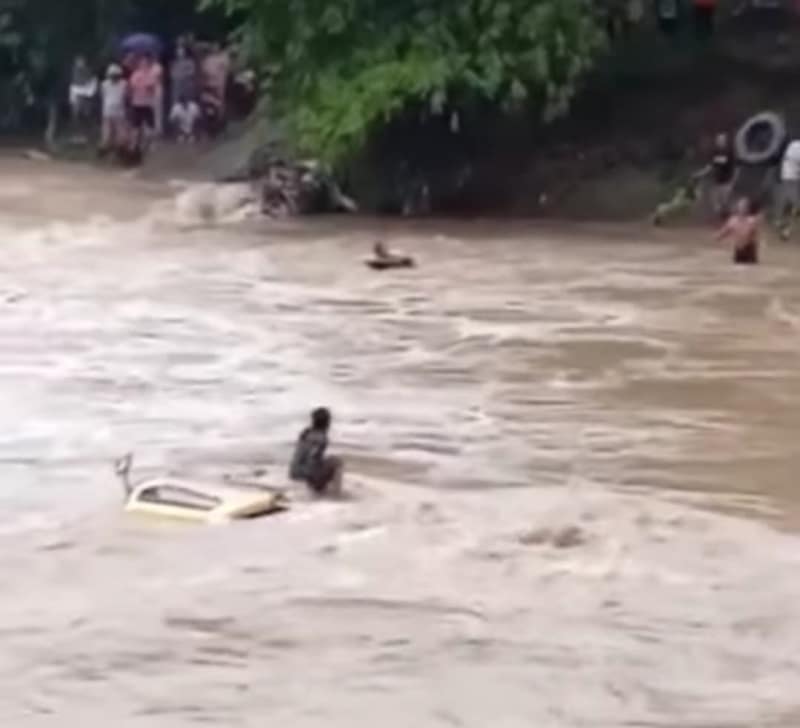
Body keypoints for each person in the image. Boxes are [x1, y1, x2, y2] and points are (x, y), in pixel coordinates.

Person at [289, 407, 344, 497]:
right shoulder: (321, 438)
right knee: (337, 462)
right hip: (303, 471)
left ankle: (317, 488)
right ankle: (336, 495)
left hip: (294, 470)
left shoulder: (306, 433)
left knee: (323, 463)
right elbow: (313, 458)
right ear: (327, 422)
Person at [696, 133, 737, 220]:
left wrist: (733, 180)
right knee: (716, 204)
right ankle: (723, 218)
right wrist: (700, 173)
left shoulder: (729, 152)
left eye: (722, 140)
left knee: (726, 202)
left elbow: (721, 163)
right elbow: (710, 166)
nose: (720, 142)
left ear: (725, 141)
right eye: (718, 140)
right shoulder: (715, 153)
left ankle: (733, 219)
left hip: (727, 181)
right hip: (717, 181)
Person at [716, 196, 763, 265]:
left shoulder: (752, 221)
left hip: (749, 249)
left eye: (744, 206)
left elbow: (755, 237)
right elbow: (725, 231)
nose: (742, 208)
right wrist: (718, 237)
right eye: (740, 206)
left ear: (748, 209)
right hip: (738, 249)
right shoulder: (733, 220)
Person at [129, 55, 159, 153]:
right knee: (136, 126)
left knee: (150, 126)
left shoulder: (151, 75)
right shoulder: (136, 74)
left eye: (145, 63)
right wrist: (143, 86)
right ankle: (134, 145)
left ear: (148, 64)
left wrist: (148, 87)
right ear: (139, 64)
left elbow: (152, 88)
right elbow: (133, 86)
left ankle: (151, 144)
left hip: (147, 103)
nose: (144, 64)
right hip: (137, 103)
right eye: (142, 63)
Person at [775, 136, 800, 239]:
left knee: (791, 204)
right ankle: (785, 229)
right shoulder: (796, 146)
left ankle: (782, 223)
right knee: (795, 204)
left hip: (793, 178)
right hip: (790, 178)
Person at [100, 64, 128, 155]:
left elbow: (126, 96)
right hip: (108, 111)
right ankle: (106, 149)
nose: (114, 77)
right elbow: (103, 96)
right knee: (107, 132)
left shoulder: (124, 84)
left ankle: (120, 150)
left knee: (120, 132)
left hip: (119, 111)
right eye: (112, 75)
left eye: (115, 75)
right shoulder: (104, 84)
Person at [68, 55, 98, 125]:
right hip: (77, 92)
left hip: (87, 93)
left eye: (82, 61)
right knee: (76, 111)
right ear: (76, 62)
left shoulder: (88, 70)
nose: (81, 63)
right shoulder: (74, 70)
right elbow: (75, 81)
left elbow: (92, 80)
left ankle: (87, 126)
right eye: (79, 61)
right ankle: (76, 126)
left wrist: (89, 84)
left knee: (87, 112)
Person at [170, 44, 197, 113]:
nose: (179, 52)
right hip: (176, 84)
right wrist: (175, 76)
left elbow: (192, 72)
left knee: (187, 100)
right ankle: (176, 115)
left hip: (186, 83)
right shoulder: (174, 62)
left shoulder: (189, 61)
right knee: (175, 101)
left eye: (181, 51)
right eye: (178, 51)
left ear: (184, 52)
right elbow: (172, 73)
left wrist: (184, 75)